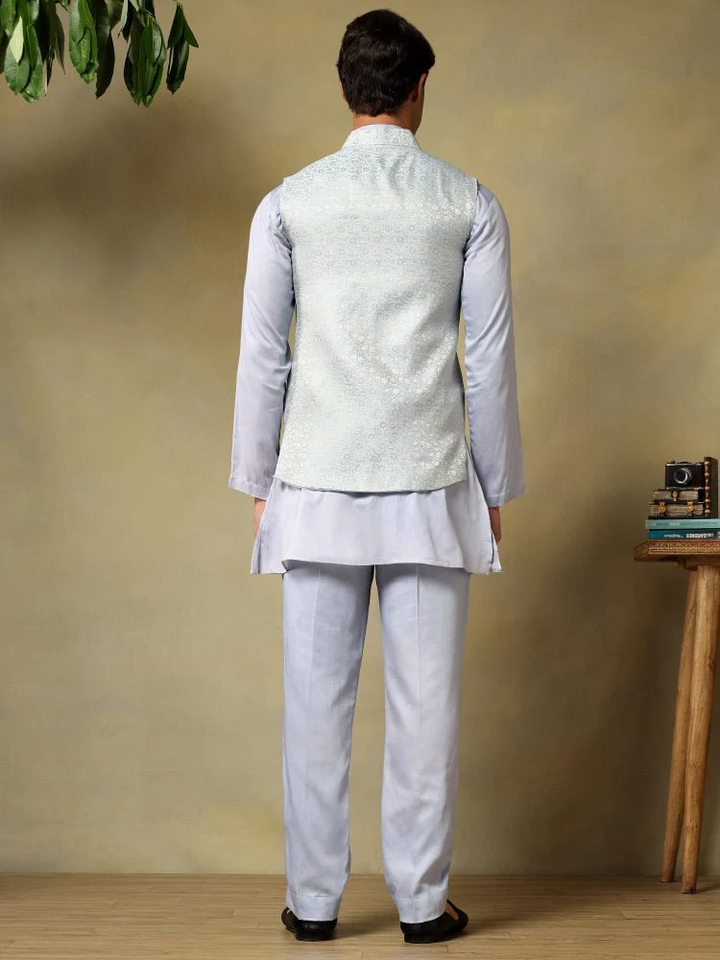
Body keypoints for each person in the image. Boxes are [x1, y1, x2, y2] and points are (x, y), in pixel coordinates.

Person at [228, 7, 524, 945]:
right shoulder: (469, 204)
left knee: (313, 712)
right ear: (419, 88)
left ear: (345, 88)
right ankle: (423, 907)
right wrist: (494, 487)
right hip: (431, 488)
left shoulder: (288, 205)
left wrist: (260, 483)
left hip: (315, 486)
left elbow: (263, 356)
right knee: (425, 715)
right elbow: (489, 360)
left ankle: (314, 906)